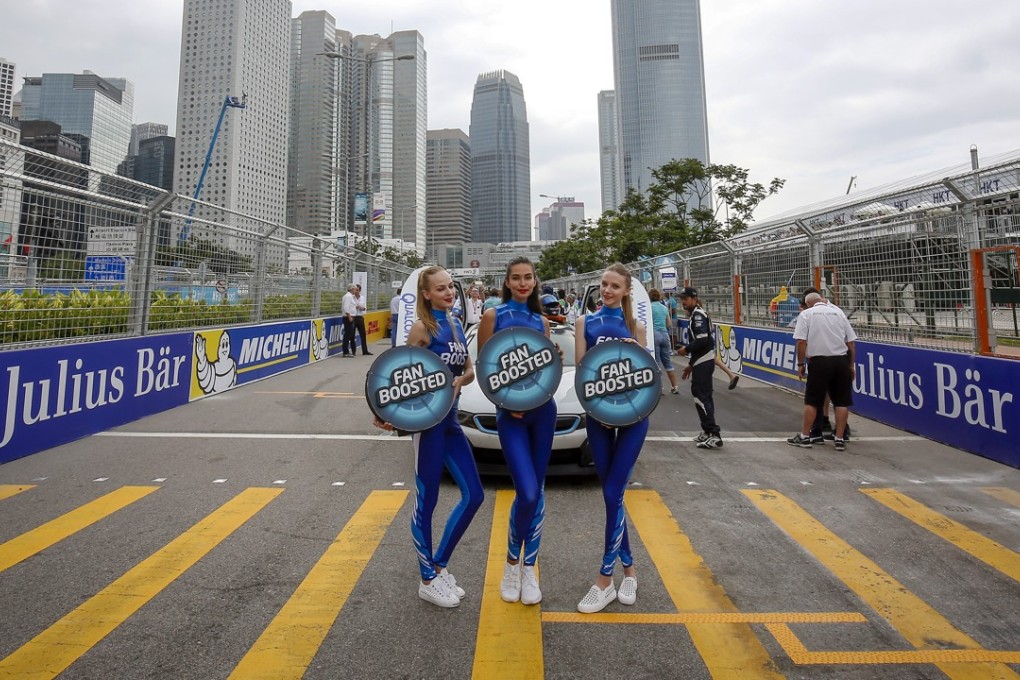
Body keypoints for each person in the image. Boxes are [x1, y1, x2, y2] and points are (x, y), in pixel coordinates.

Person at [373, 266, 484, 607]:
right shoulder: (423, 328)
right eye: (441, 289)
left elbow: (467, 369)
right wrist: (385, 412)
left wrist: (460, 381)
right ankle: (426, 578)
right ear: (426, 294)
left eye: (451, 287)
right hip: (427, 425)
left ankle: (439, 565)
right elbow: (399, 373)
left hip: (450, 421)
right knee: (427, 500)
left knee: (475, 495)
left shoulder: (454, 323)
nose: (449, 293)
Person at [477, 256, 558, 606]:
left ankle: (530, 567)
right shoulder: (493, 316)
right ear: (507, 282)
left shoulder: (542, 321)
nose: (523, 283)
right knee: (525, 492)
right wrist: (506, 404)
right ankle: (511, 563)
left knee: (537, 492)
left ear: (535, 281)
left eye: (528, 277)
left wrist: (553, 357)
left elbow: (548, 373)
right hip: (510, 416)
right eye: (516, 278)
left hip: (544, 412)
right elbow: (485, 369)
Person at [574, 263, 650, 614]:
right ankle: (631, 571)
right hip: (598, 417)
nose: (606, 290)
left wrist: (633, 348)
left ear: (625, 291)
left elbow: (646, 375)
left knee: (611, 491)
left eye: (614, 286)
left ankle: (604, 579)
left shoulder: (636, 326)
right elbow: (582, 372)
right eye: (603, 284)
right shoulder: (584, 323)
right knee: (612, 496)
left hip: (633, 415)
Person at [788, 291, 857, 451]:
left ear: (808, 304)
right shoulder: (838, 313)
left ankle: (805, 436)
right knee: (841, 402)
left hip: (819, 362)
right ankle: (839, 439)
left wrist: (800, 363)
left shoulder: (806, 315)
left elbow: (801, 342)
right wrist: (851, 365)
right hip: (841, 361)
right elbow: (851, 343)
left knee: (812, 400)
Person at [677, 287, 723, 448]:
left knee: (702, 397)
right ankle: (708, 431)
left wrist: (686, 349)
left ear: (694, 299)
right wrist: (690, 365)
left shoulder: (697, 315)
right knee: (701, 396)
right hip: (701, 361)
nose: (683, 302)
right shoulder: (696, 314)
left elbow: (703, 340)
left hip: (704, 361)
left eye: (686, 298)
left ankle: (714, 434)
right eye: (682, 299)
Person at [648, 289, 679, 394]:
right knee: (668, 362)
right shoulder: (664, 307)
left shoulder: (649, 307)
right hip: (664, 334)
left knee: (656, 362)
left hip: (655, 334)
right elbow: (669, 324)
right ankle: (675, 386)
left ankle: (660, 388)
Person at [353, 284, 372, 356]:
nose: (356, 292)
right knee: (352, 335)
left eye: (357, 290)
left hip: (360, 317)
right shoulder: (351, 298)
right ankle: (353, 351)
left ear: (360, 290)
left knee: (363, 334)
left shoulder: (362, 298)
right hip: (353, 316)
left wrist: (361, 307)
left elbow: (364, 308)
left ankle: (365, 350)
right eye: (355, 290)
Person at [341, 285, 358, 357]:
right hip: (348, 317)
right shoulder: (348, 296)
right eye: (355, 289)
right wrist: (349, 316)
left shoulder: (350, 296)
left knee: (349, 335)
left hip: (350, 317)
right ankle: (345, 352)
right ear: (351, 289)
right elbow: (346, 307)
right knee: (347, 335)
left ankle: (347, 351)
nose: (356, 290)